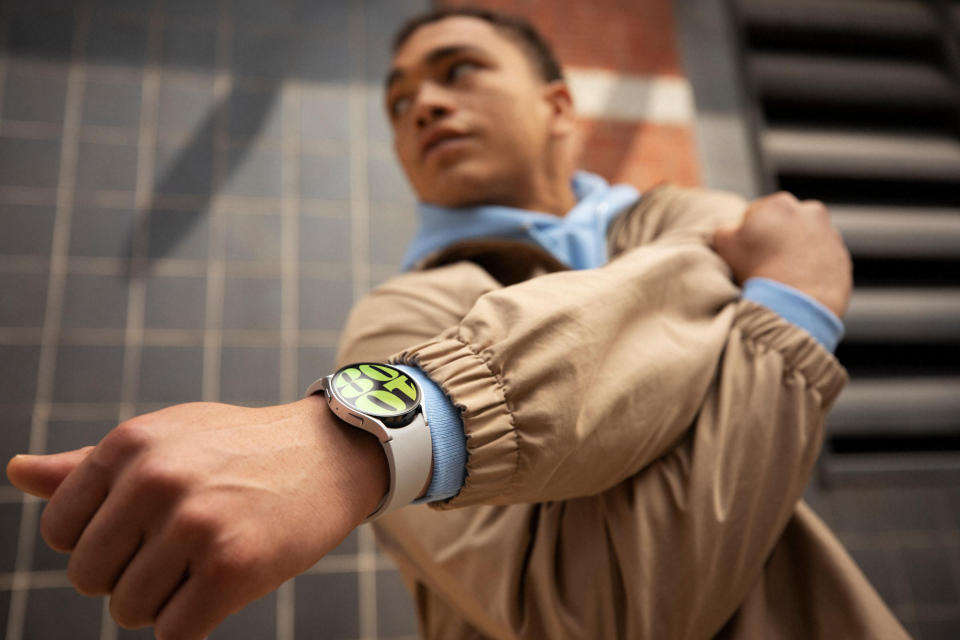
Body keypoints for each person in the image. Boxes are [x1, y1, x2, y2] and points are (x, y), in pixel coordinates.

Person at [6, 6, 909, 640]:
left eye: (458, 71)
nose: (423, 106)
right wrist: (782, 305)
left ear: (558, 106)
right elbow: (604, 617)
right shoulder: (401, 321)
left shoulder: (676, 218)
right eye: (400, 102)